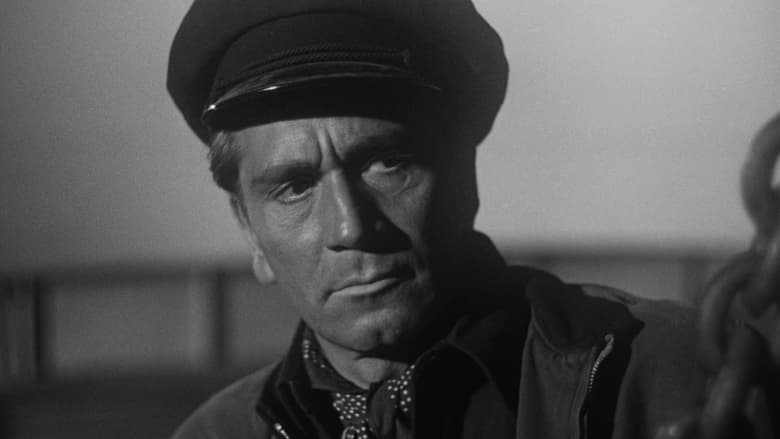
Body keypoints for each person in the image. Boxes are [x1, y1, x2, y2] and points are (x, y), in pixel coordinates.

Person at [166, 1, 777, 438]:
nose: (350, 227)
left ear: (465, 176)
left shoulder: (669, 376)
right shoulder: (213, 434)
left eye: (387, 162)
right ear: (250, 232)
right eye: (295, 187)